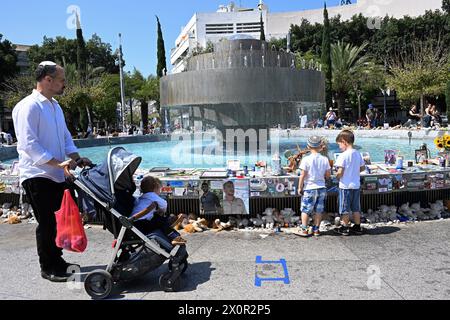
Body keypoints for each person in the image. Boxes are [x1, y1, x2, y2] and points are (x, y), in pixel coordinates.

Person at [12, 61, 93, 282]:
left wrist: (76, 158)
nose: (64, 83)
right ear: (48, 80)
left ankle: (58, 261)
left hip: (57, 174)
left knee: (59, 222)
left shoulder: (55, 105)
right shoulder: (28, 106)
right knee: (47, 223)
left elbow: (65, 137)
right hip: (38, 175)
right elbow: (29, 144)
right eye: (61, 80)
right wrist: (57, 163)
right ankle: (47, 267)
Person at [129, 176, 187, 246]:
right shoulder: (153, 196)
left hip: (133, 225)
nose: (160, 191)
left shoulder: (139, 198)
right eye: (160, 189)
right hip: (142, 224)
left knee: (157, 219)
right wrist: (161, 211)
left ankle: (174, 233)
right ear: (155, 188)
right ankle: (174, 237)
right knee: (161, 221)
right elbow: (164, 205)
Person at [296, 136, 331, 237]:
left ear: (308, 146)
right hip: (321, 188)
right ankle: (316, 230)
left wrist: (299, 187)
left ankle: (304, 229)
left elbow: (302, 175)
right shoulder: (325, 159)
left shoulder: (306, 159)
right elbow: (328, 175)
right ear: (320, 146)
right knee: (319, 210)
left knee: (306, 210)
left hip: (310, 188)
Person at [334, 130, 366, 236]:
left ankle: (344, 227)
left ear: (344, 142)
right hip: (356, 185)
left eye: (339, 144)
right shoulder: (358, 153)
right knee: (356, 207)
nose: (339, 147)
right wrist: (353, 171)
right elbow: (362, 168)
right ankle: (357, 226)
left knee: (345, 208)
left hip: (345, 186)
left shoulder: (343, 156)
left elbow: (340, 172)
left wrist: (336, 176)